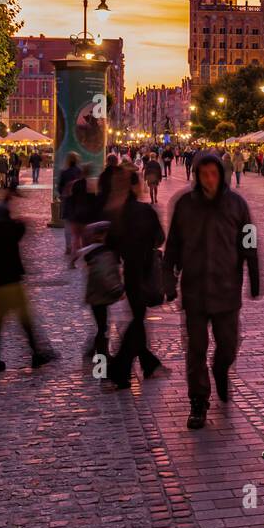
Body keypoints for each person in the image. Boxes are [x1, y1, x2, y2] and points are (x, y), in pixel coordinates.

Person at [164, 152, 260, 429]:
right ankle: (198, 401)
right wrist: (168, 280)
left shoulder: (237, 204)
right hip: (194, 290)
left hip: (227, 290)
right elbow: (172, 247)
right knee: (195, 350)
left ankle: (220, 369)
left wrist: (253, 279)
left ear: (221, 174)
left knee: (228, 347)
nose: (209, 179)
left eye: (213, 173)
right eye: (204, 174)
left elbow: (249, 243)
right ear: (197, 175)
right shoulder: (185, 205)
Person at [0, 186, 56, 375]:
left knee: (16, 318)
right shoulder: (2, 221)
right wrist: (20, 225)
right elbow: (12, 237)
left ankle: (34, 353)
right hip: (7, 278)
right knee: (14, 319)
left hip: (4, 277)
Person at [104, 165, 166, 390]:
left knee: (138, 319)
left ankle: (148, 363)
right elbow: (160, 238)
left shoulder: (116, 212)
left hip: (130, 273)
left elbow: (110, 244)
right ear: (133, 186)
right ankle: (118, 371)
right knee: (138, 321)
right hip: (146, 272)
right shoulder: (144, 211)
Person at [76, 220, 122, 359]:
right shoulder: (103, 254)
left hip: (95, 294)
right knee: (103, 328)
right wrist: (117, 289)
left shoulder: (91, 252)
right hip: (100, 295)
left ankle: (93, 351)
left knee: (101, 325)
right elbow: (106, 275)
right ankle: (102, 361)